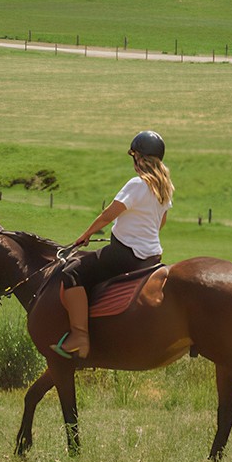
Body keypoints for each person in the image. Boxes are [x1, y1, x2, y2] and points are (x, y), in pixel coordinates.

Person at [51, 130, 174, 359]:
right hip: (152, 257)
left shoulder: (137, 184)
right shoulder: (164, 187)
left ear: (140, 158)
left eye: (134, 157)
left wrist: (85, 235)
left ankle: (79, 335)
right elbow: (161, 222)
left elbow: (108, 215)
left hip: (125, 255)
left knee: (71, 272)